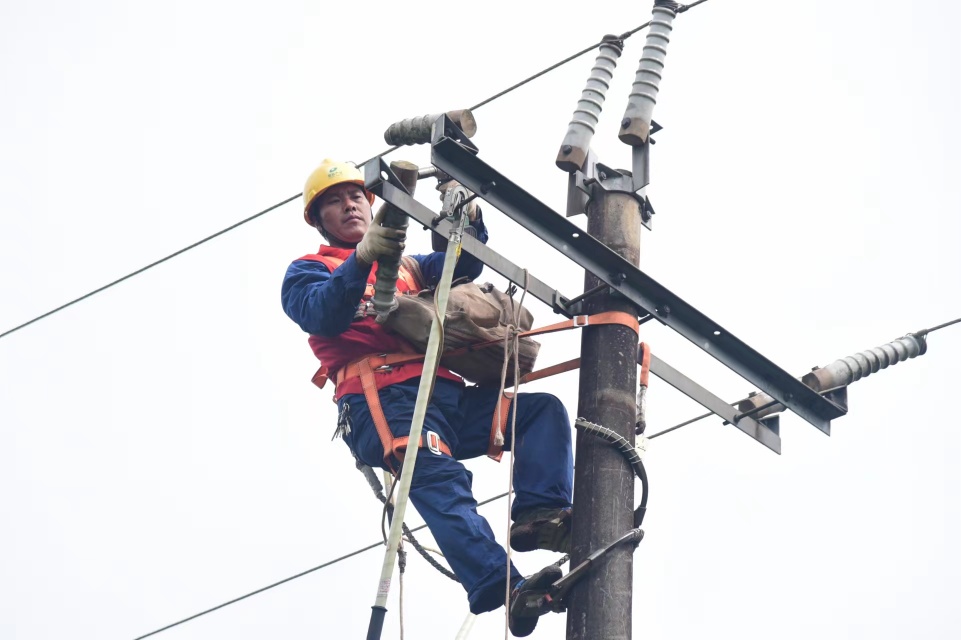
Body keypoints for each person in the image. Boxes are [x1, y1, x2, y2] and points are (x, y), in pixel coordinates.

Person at [281, 159, 574, 636]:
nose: (349, 205)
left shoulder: (410, 267)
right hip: (386, 401)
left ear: (370, 203)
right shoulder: (309, 271)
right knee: (442, 482)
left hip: (445, 396)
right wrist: (360, 262)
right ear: (319, 220)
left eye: (355, 196)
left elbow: (465, 260)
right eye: (334, 201)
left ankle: (539, 515)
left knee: (539, 413)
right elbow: (323, 313)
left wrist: (463, 211)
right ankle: (504, 587)